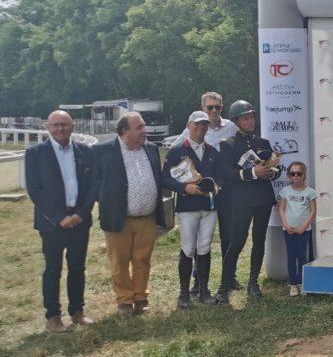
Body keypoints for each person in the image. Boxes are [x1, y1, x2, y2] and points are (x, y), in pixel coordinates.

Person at [25, 110, 97, 332]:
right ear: (47, 126)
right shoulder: (36, 153)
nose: (60, 129)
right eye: (55, 125)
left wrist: (81, 214)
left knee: (77, 267)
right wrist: (60, 217)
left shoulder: (85, 151)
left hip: (79, 219)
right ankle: (53, 317)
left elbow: (93, 185)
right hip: (52, 222)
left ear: (72, 126)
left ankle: (77, 311)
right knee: (52, 269)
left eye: (64, 124)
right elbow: (35, 190)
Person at [94, 112, 165, 316]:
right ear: (125, 131)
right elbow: (94, 181)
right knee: (120, 260)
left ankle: (141, 297)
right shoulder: (103, 150)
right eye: (140, 127)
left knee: (142, 259)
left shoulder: (151, 149)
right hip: (119, 218)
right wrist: (107, 201)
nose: (145, 130)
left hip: (147, 217)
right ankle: (124, 300)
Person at [170, 91, 238, 287]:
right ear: (203, 108)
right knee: (197, 240)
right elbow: (175, 156)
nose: (214, 111)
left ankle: (229, 277)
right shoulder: (192, 129)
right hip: (199, 193)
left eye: (218, 107)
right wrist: (185, 182)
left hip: (224, 190)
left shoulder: (231, 127)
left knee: (228, 235)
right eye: (210, 107)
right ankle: (197, 281)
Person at [216, 100, 280, 304]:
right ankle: (223, 287)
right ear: (236, 121)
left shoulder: (263, 143)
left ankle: (253, 283)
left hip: (262, 198)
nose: (250, 121)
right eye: (245, 118)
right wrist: (253, 172)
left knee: (259, 241)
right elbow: (226, 174)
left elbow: (274, 172)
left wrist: (271, 172)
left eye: (252, 116)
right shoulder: (228, 145)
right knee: (237, 242)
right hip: (241, 200)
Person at [161, 111, 221, 309]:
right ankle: (184, 294)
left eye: (204, 125)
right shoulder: (178, 150)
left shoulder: (213, 151)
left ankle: (204, 291)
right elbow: (165, 178)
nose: (201, 128)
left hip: (209, 207)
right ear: (188, 125)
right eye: (197, 124)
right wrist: (184, 188)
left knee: (204, 247)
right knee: (188, 248)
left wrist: (217, 187)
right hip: (187, 207)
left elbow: (220, 177)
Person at [278, 161, 317, 296]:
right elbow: (281, 209)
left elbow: (313, 211)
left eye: (298, 173)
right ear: (289, 176)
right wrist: (286, 225)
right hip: (288, 230)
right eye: (292, 173)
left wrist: (303, 227)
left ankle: (301, 283)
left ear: (303, 175)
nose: (296, 176)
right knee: (291, 256)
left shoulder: (310, 192)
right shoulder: (285, 191)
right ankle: (293, 284)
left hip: (303, 231)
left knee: (302, 256)